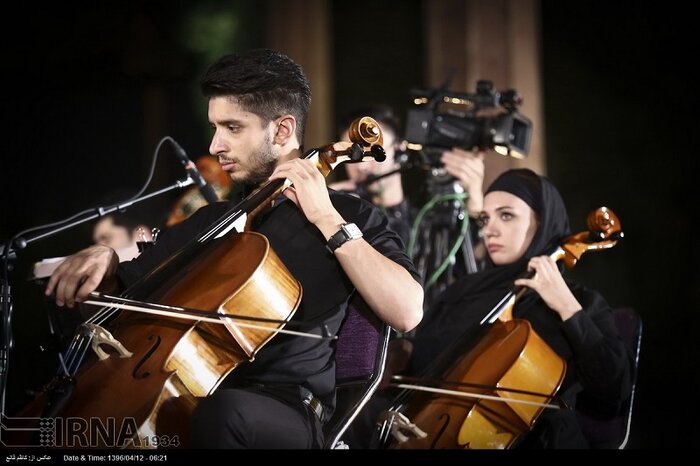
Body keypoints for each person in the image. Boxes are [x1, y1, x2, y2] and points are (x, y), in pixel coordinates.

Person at [44, 48, 423, 449]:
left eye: (232, 127)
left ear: (281, 130)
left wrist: (327, 221)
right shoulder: (214, 222)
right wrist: (106, 259)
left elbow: (407, 309)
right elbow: (132, 281)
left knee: (222, 415)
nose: (215, 145)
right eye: (214, 127)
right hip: (192, 393)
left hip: (286, 409)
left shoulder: (348, 214)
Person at [386, 168, 633, 448]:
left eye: (506, 215)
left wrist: (567, 308)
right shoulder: (462, 292)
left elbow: (615, 392)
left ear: (541, 222)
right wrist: (405, 352)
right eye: (485, 218)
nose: (490, 229)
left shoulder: (580, 301)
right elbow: (425, 361)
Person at [166, 154, 233, 226]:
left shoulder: (220, 188)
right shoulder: (196, 189)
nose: (201, 174)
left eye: (206, 171)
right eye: (201, 171)